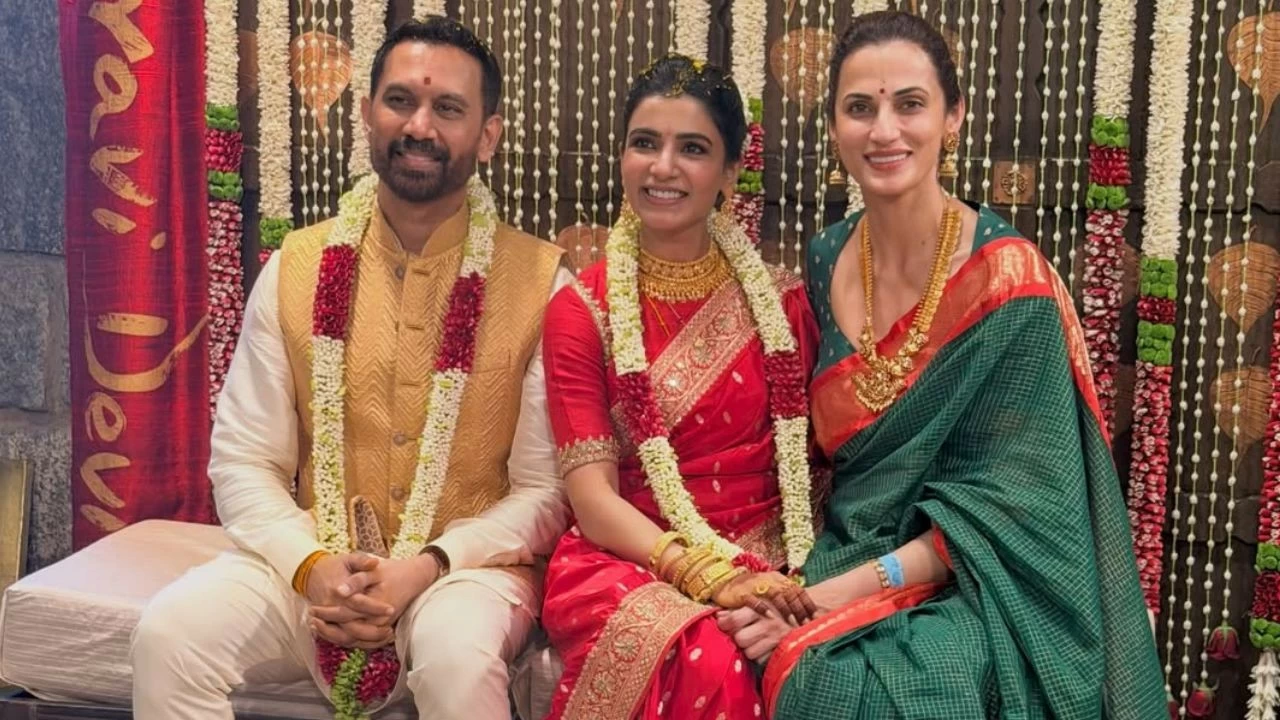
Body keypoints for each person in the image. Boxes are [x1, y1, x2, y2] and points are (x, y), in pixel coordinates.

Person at [130, 16, 571, 720]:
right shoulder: (296, 269)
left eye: (448, 108)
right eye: (400, 101)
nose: (419, 125)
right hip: (317, 557)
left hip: (466, 571)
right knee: (171, 634)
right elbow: (245, 461)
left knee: (456, 657)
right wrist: (312, 568)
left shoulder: (543, 285)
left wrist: (426, 565)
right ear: (367, 114)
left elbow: (546, 491)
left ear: (489, 135)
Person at [742, 11, 1167, 719]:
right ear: (835, 127)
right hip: (845, 547)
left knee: (905, 687)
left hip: (979, 579)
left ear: (953, 119)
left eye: (910, 104)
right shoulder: (825, 260)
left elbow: (1011, 514)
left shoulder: (1008, 284)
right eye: (859, 108)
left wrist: (829, 598)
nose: (884, 131)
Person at [537, 55, 823, 720]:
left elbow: (815, 471)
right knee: (712, 659)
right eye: (645, 143)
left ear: (730, 172)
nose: (663, 168)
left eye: (692, 149)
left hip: (775, 553)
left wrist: (790, 580)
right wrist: (706, 577)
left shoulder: (785, 305)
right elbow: (593, 500)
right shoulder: (583, 310)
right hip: (632, 555)